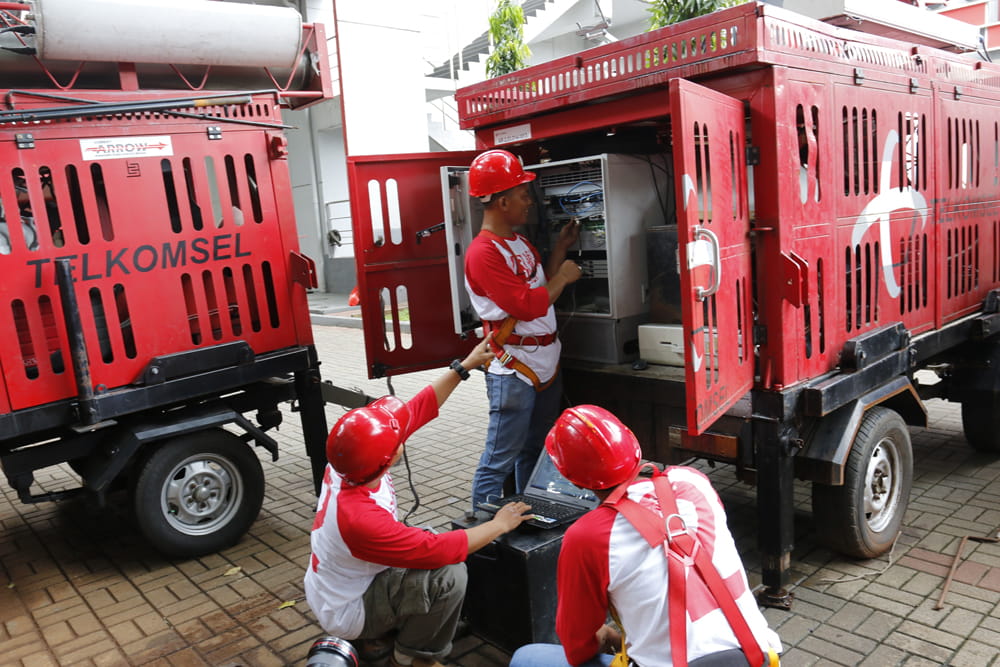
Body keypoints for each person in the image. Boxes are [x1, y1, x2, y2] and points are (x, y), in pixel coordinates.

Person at [304, 338, 535, 667]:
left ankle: (391, 630)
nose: (404, 434)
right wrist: (498, 524)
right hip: (348, 608)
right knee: (448, 576)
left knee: (423, 541)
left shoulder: (349, 461)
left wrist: (464, 366)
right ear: (391, 457)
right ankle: (413, 655)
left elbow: (419, 408)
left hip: (340, 583)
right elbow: (442, 551)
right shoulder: (359, 518)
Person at [511, 405, 782, 667]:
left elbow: (576, 647)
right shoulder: (694, 480)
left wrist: (607, 637)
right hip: (759, 657)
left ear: (572, 479)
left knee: (526, 657)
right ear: (633, 445)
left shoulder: (587, 536)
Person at [463, 149, 582, 510]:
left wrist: (560, 249)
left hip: (544, 361)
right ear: (502, 201)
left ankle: (528, 514)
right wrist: (563, 277)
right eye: (522, 194)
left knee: (534, 449)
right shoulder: (483, 253)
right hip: (514, 368)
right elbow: (527, 305)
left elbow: (538, 284)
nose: (528, 201)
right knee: (499, 458)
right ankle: (481, 534)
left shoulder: (518, 242)